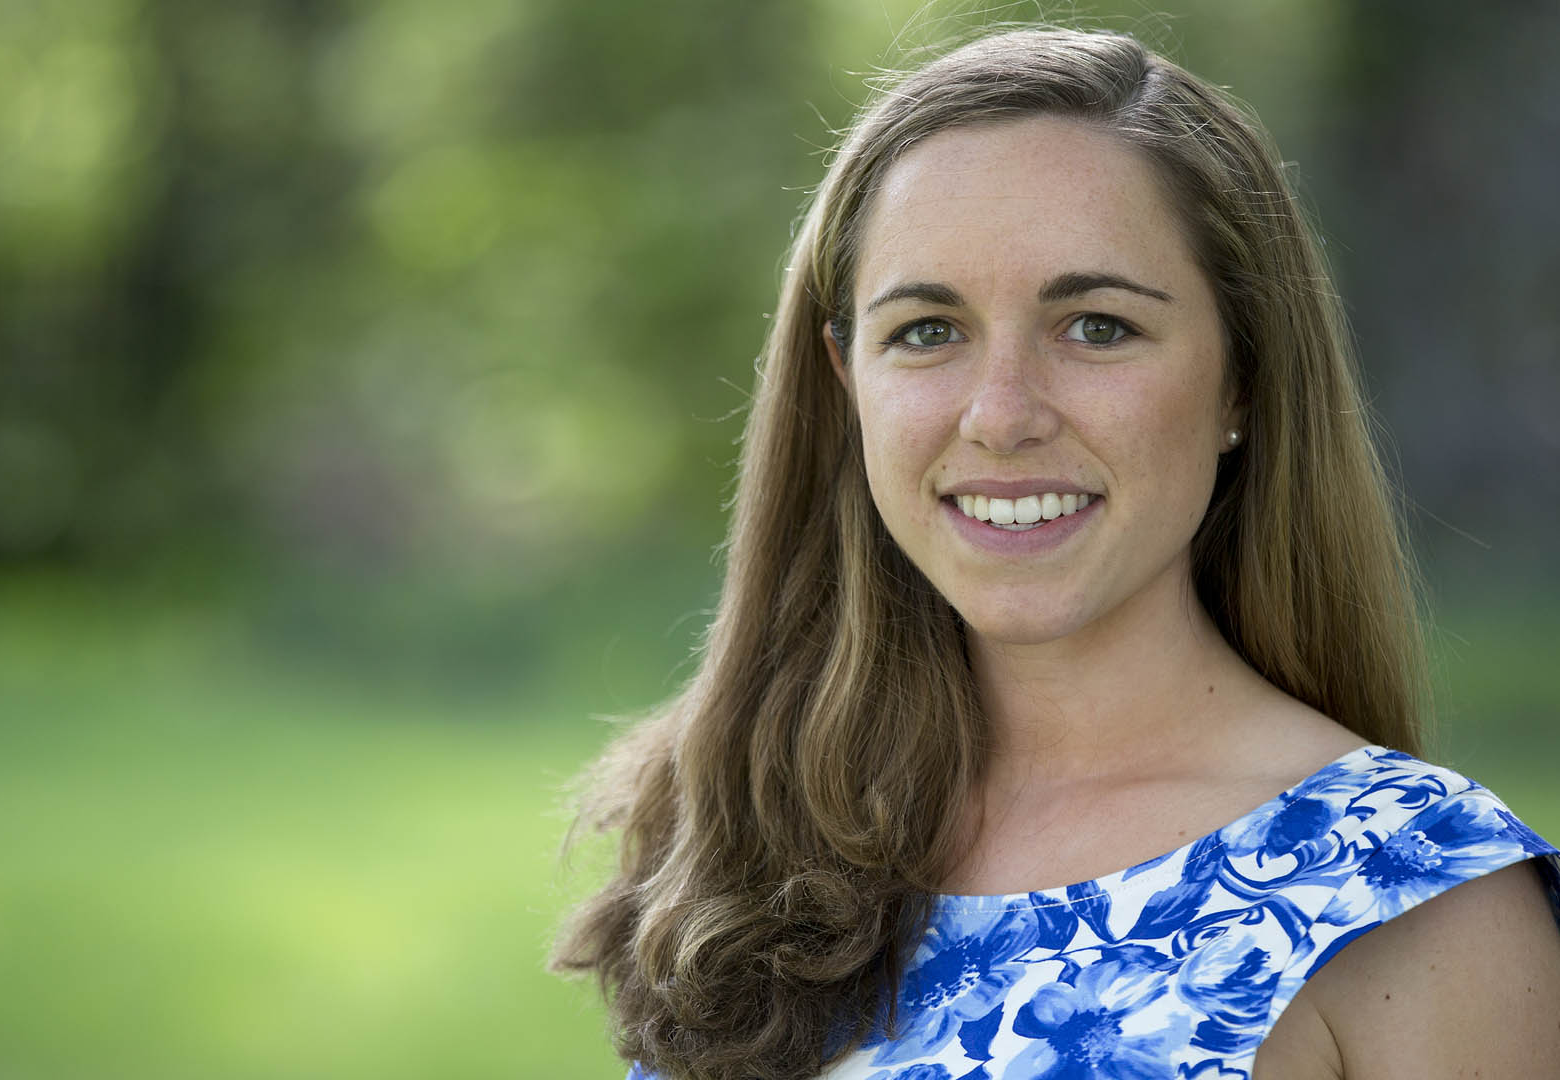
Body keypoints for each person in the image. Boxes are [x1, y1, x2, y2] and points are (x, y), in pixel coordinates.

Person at [553, 26, 1560, 1080]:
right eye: (928, 331)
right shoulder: (753, 820)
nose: (1000, 416)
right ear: (845, 380)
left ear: (1244, 378)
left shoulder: (1411, 894)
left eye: (1096, 327)